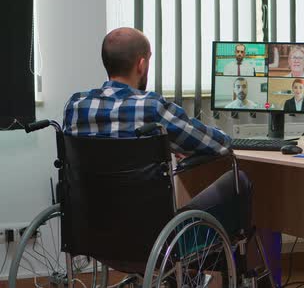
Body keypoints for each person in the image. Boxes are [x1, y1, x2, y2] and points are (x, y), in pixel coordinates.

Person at [63, 27, 251, 238]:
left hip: (92, 231)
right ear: (141, 65)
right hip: (150, 235)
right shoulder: (151, 107)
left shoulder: (76, 106)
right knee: (240, 180)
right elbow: (219, 144)